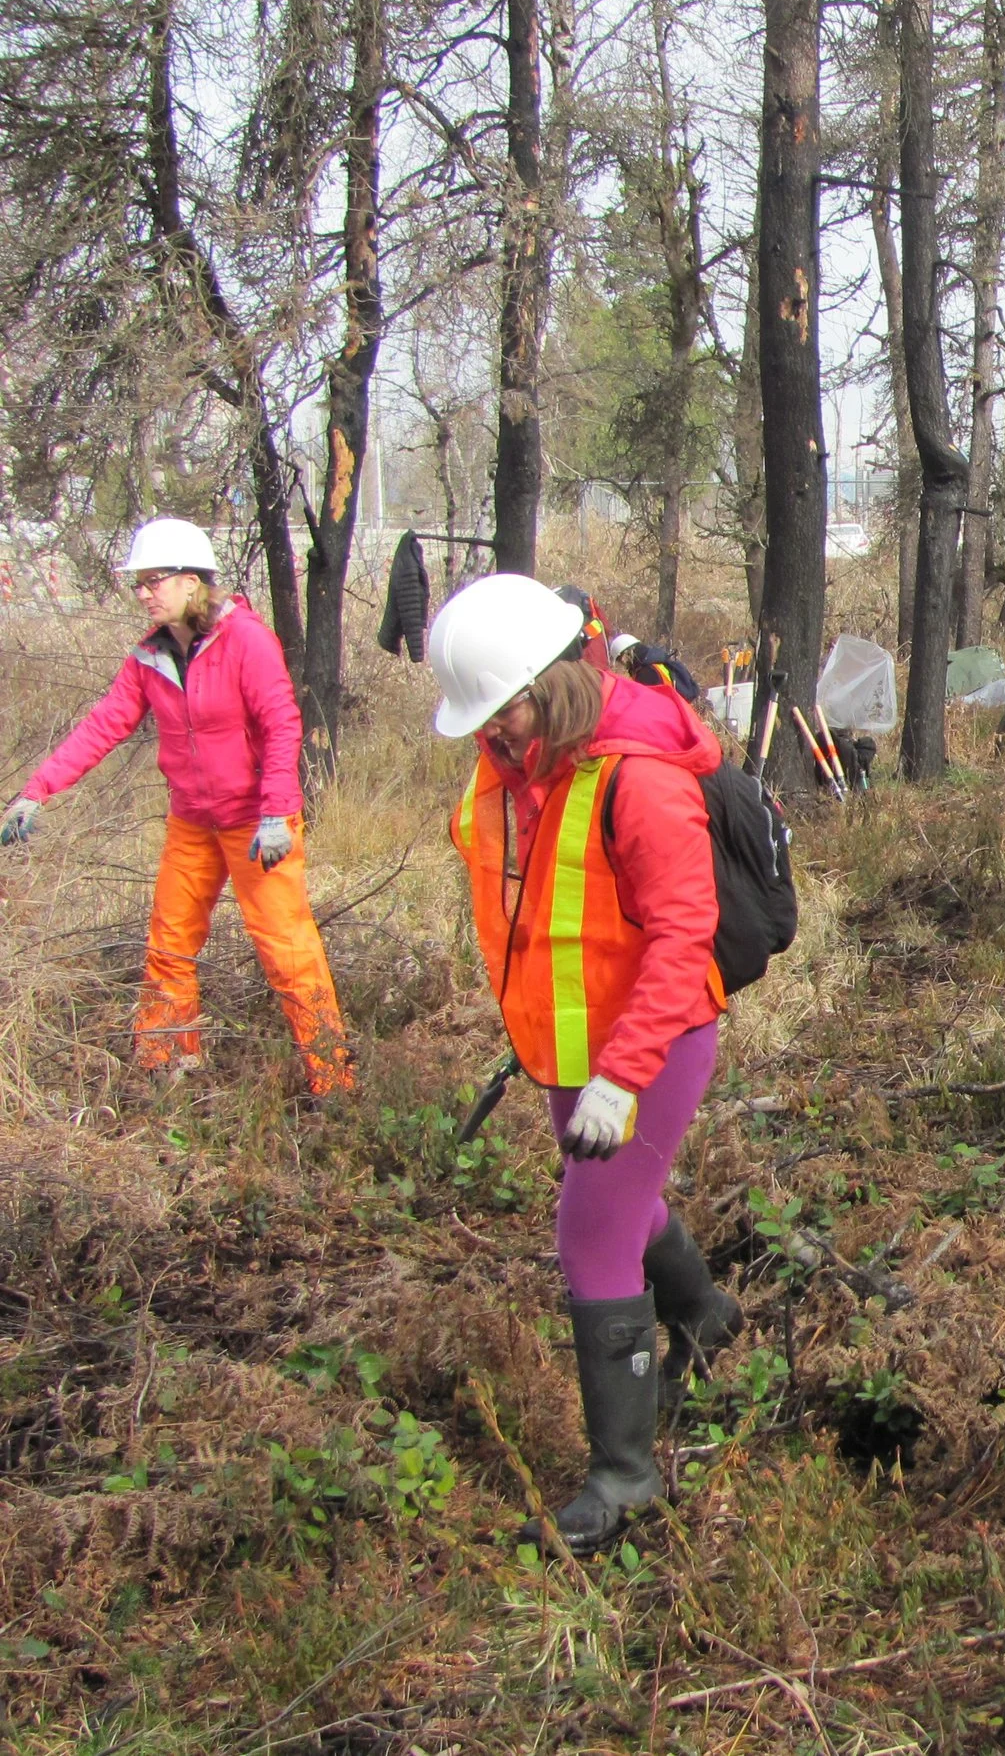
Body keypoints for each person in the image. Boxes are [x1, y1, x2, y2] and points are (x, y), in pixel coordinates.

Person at [427, 573, 743, 1552]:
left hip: (651, 1045)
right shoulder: (546, 757)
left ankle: (626, 1479)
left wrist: (620, 1076)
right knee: (623, 1205)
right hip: (579, 1044)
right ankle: (707, 1318)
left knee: (590, 1240)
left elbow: (684, 933)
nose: (498, 736)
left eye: (506, 712)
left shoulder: (637, 777)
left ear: (552, 681)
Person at [3, 517, 352, 1098]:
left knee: (288, 953)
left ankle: (332, 1079)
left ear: (193, 581)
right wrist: (35, 791)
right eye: (138, 582)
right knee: (169, 943)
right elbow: (102, 726)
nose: (143, 592)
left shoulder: (246, 640)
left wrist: (276, 813)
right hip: (193, 822)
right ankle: (167, 1068)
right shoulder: (150, 655)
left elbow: (281, 722)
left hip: (257, 824)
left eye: (154, 580)